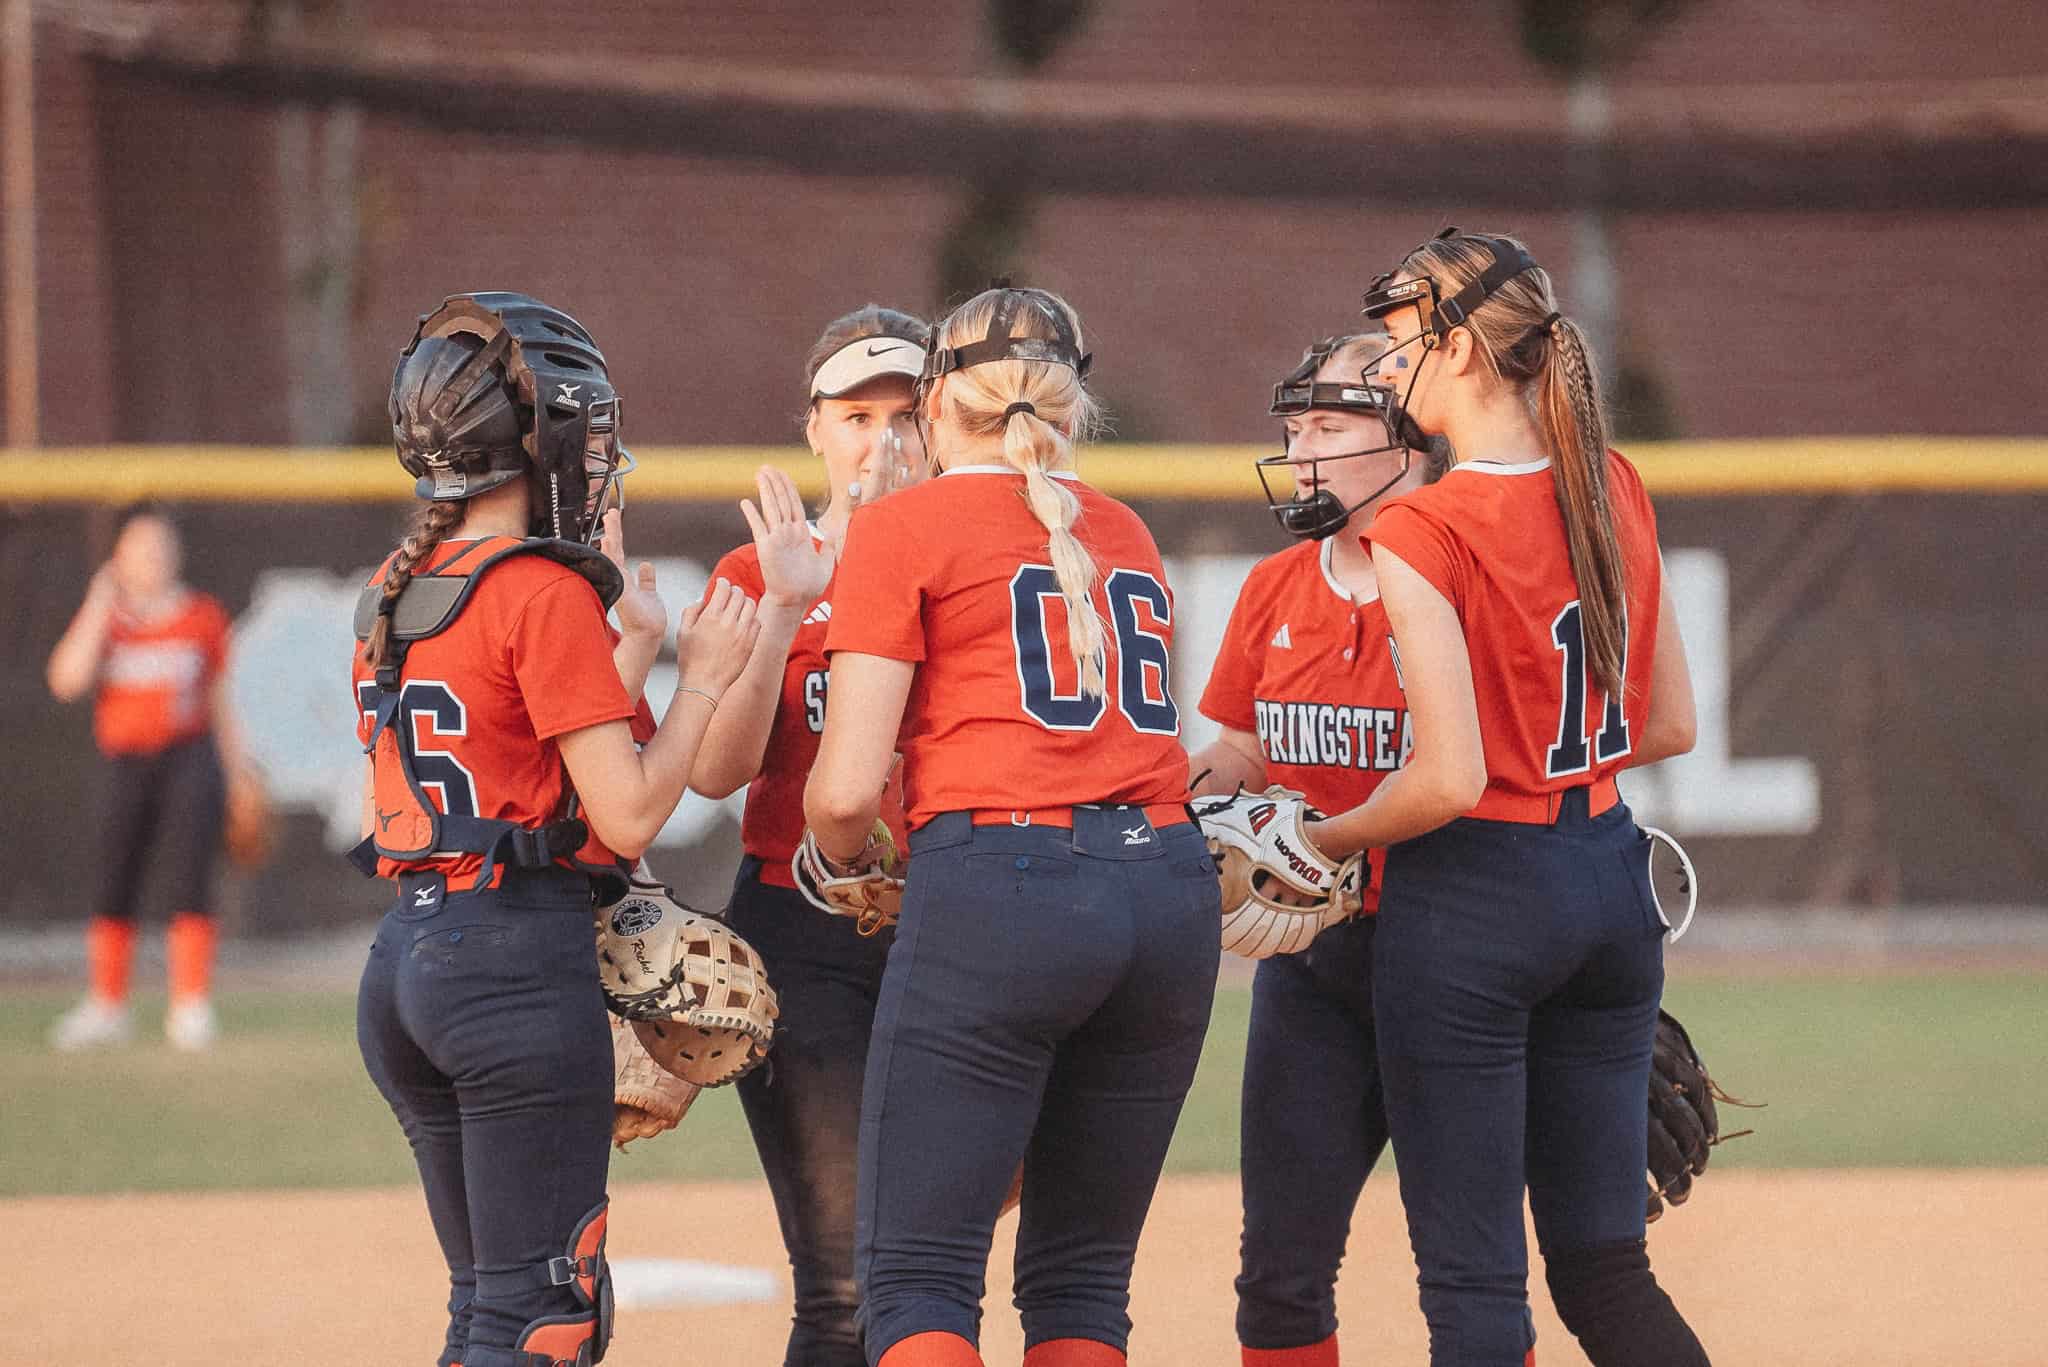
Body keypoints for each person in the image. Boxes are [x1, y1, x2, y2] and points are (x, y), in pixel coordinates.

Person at [1305, 230, 1707, 1366]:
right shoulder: (1609, 480)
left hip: (1473, 898)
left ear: (1465, 356)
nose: (1387, 369)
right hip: (1607, 878)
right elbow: (1668, 724)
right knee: (1604, 1268)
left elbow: (1445, 777)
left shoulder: (1421, 525)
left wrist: (1305, 836)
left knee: (1474, 1288)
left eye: (1398, 343)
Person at [802, 286, 1219, 1367]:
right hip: (1168, 886)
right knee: (1080, 1280)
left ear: (936, 403)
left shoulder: (901, 525)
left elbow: (846, 792)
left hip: (1008, 876)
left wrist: (846, 865)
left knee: (918, 1276)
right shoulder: (1122, 528)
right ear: (1069, 408)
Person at [350, 291, 759, 1367]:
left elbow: (511, 764)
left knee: (485, 1308)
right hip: (508, 971)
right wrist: (702, 684)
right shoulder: (538, 586)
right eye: (585, 425)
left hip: (407, 960)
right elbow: (623, 808)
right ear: (539, 440)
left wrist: (633, 643)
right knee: (547, 1321)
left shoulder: (396, 590)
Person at [688, 303, 931, 1367]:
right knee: (841, 1285)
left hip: (955, 923)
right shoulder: (756, 574)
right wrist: (786, 607)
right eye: (858, 412)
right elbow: (713, 769)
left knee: (933, 1271)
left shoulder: (983, 563)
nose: (883, 437)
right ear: (815, 430)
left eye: (908, 412)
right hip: (805, 924)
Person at [1185, 333, 1429, 1367]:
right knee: (1277, 1279)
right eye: (1293, 429)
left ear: (1410, 441)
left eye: (1329, 426)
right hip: (1311, 965)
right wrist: (1167, 803)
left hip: (1442, 957)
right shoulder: (1276, 585)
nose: (1301, 451)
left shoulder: (1458, 584)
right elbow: (1239, 744)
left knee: (1468, 1272)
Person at [44, 503, 254, 1051]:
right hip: (126, 763)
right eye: (139, 546)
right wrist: (99, 603)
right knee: (115, 877)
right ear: (117, 556)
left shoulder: (201, 616)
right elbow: (66, 681)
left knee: (189, 876)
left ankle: (190, 1005)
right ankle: (108, 1004)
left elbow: (221, 699)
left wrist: (239, 775)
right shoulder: (108, 620)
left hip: (188, 758)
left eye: (161, 545)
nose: (153, 557)